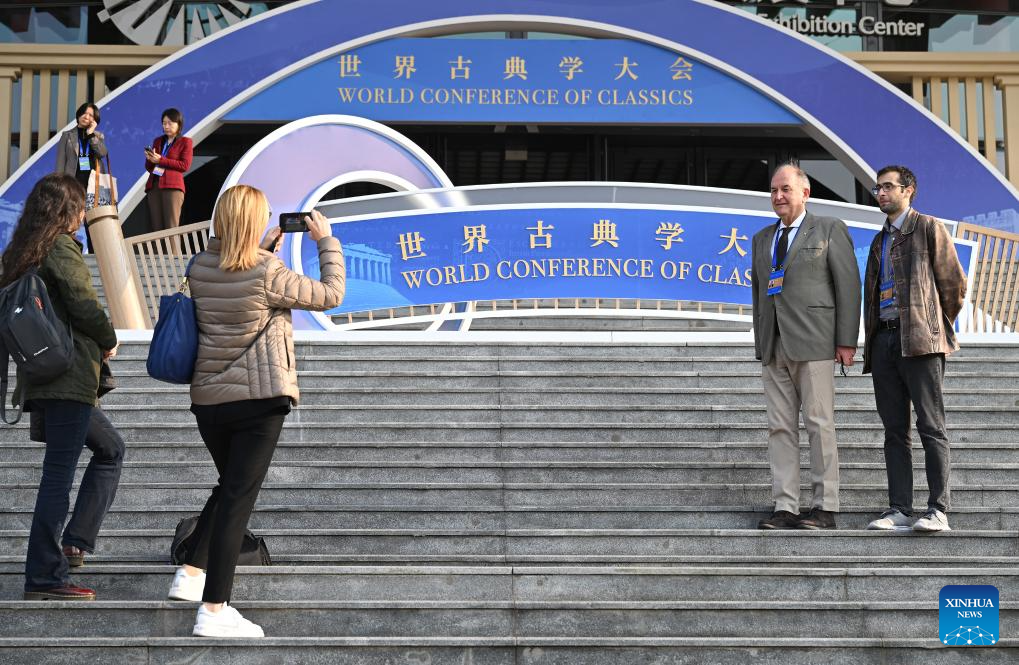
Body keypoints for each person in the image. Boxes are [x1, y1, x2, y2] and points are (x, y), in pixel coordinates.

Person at [165, 185, 345, 638]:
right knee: (238, 500)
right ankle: (214, 608)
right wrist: (325, 241)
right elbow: (331, 294)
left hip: (209, 402)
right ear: (253, 222)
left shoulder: (199, 267)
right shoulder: (268, 271)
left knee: (230, 487)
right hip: (259, 401)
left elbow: (231, 270)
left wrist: (259, 249)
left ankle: (190, 572)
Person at [0, 174, 119, 600]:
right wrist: (108, 337)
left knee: (111, 448)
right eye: (80, 208)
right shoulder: (59, 246)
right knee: (57, 478)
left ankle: (74, 542)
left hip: (45, 377)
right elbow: (83, 303)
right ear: (67, 211)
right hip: (68, 379)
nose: (84, 215)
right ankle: (45, 577)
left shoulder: (23, 251)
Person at [750, 162, 861, 530]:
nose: (778, 196)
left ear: (805, 192)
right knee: (779, 428)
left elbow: (848, 286)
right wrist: (761, 343)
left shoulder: (828, 228)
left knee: (819, 424)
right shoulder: (762, 239)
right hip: (774, 345)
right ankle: (785, 506)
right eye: (773, 190)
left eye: (785, 189)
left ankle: (825, 507)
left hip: (815, 341)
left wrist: (846, 340)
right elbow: (759, 295)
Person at [862, 165, 967, 533]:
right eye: (878, 188)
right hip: (884, 341)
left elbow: (954, 285)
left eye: (888, 187)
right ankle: (900, 509)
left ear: (908, 190)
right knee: (894, 431)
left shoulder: (928, 228)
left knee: (931, 426)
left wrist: (931, 324)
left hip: (922, 343)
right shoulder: (879, 241)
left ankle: (938, 509)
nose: (881, 193)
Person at [55, 102, 107, 252]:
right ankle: (70, 253)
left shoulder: (97, 136)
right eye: (85, 113)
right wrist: (60, 185)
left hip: (93, 187)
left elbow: (102, 153)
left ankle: (95, 253)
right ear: (79, 114)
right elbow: (60, 161)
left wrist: (91, 134)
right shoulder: (67, 135)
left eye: (91, 115)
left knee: (93, 222)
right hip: (73, 186)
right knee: (70, 220)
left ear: (94, 120)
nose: (87, 116)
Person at [144, 107, 193, 234]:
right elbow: (150, 168)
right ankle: (157, 249)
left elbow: (184, 165)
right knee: (156, 228)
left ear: (179, 124)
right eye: (164, 123)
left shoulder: (185, 142)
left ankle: (173, 248)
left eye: (170, 123)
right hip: (154, 186)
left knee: (171, 227)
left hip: (172, 187)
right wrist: (150, 159)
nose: (166, 126)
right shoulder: (158, 141)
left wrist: (161, 160)